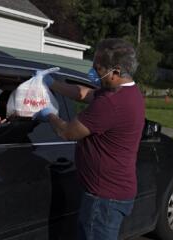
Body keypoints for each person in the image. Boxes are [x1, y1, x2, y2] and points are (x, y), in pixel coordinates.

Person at [35, 38, 145, 240]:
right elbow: (85, 93)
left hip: (104, 199)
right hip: (115, 192)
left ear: (117, 72)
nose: (93, 72)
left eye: (98, 68)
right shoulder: (127, 92)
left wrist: (48, 113)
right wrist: (52, 84)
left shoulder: (111, 104)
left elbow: (67, 132)